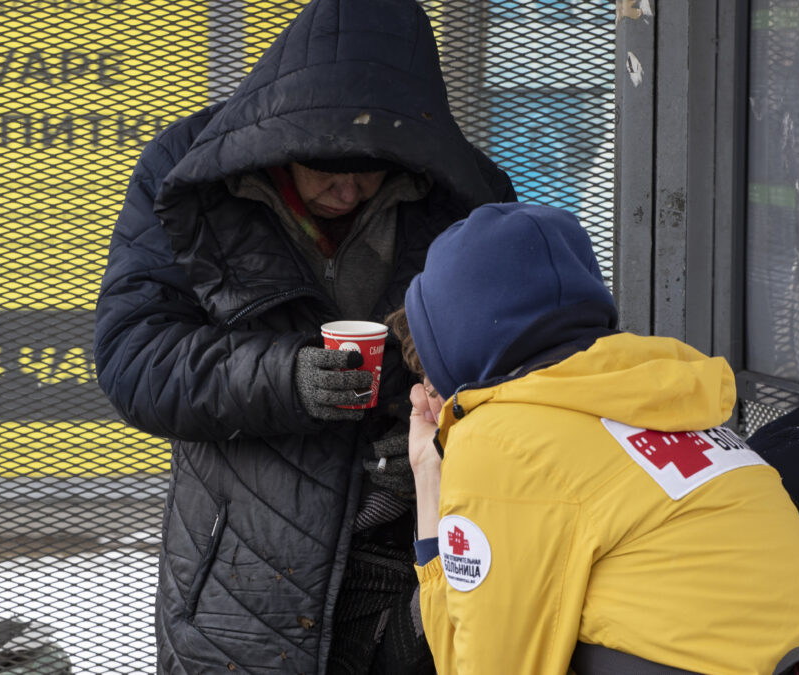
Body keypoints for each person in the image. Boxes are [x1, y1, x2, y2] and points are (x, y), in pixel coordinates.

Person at [91, 0, 514, 670]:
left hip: (413, 571)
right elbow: (133, 356)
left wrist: (434, 383)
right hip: (240, 584)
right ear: (282, 138)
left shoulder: (463, 192)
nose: (347, 192)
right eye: (326, 166)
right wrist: (288, 376)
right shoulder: (189, 171)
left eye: (371, 169)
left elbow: (515, 361)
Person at [395, 202, 799, 674]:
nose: (429, 393)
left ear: (458, 345)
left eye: (432, 375)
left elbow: (483, 667)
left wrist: (430, 482)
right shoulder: (657, 394)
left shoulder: (500, 442)